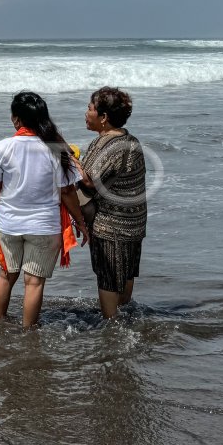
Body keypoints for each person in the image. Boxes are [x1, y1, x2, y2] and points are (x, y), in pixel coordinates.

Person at [0, 92, 89, 328]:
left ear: (16, 119)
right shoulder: (55, 149)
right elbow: (68, 192)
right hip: (44, 226)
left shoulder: (3, 147)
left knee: (6, 275)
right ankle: (28, 334)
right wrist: (80, 221)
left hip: (9, 224)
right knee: (34, 282)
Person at [76, 87, 147, 320]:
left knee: (108, 276)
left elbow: (88, 181)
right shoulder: (130, 140)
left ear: (104, 117)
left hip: (111, 223)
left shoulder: (111, 145)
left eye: (90, 108)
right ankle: (123, 318)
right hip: (133, 221)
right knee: (126, 273)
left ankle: (111, 329)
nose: (86, 113)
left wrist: (67, 157)